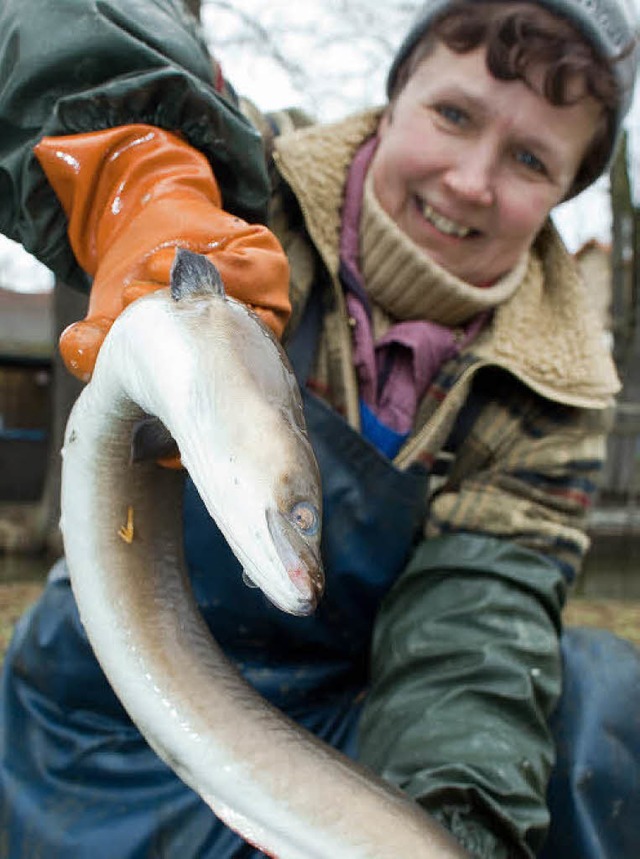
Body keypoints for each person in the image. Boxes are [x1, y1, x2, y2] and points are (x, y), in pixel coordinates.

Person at [0, 0, 638, 857]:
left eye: (530, 159)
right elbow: (53, 22)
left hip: (329, 747)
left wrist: (449, 832)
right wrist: (139, 181)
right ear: (394, 93)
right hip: (100, 720)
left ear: (565, 193)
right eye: (454, 115)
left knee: (603, 698)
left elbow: (470, 646)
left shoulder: (554, 394)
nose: (470, 181)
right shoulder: (246, 183)